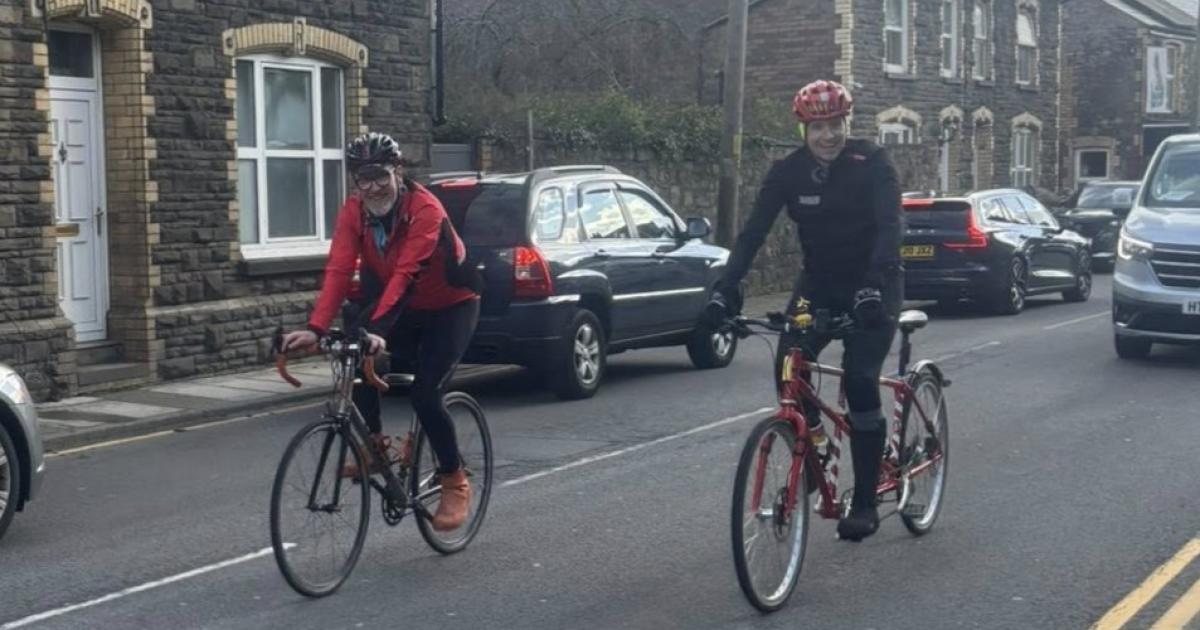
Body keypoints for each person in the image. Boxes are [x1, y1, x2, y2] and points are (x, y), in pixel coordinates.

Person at [706, 80, 903, 542]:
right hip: (819, 284)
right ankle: (813, 447)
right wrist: (725, 290)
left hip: (874, 284)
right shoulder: (788, 172)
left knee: (858, 380)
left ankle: (867, 501)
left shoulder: (872, 163)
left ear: (846, 123)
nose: (828, 135)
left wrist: (874, 286)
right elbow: (752, 233)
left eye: (836, 124)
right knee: (788, 366)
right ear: (804, 128)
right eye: (818, 126)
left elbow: (891, 227)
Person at [280, 132, 481, 532]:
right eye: (362, 178)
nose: (371, 187)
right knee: (356, 357)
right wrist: (317, 328)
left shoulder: (425, 209)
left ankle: (454, 478)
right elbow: (339, 270)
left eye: (378, 176)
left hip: (450, 306)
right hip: (401, 303)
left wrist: (378, 330)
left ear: (398, 171)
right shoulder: (355, 210)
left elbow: (407, 274)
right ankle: (373, 447)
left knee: (426, 395)